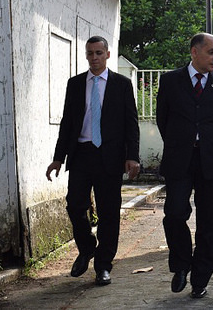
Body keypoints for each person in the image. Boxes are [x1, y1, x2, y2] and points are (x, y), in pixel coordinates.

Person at [46, 35, 140, 287]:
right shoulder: (75, 84)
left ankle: (103, 265)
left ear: (107, 55)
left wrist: (132, 156)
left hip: (110, 157)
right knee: (75, 205)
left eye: (99, 53)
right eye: (90, 53)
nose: (94, 58)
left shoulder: (121, 84)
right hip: (82, 153)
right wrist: (58, 158)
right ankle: (87, 248)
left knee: (109, 212)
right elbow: (67, 123)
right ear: (86, 55)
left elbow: (131, 122)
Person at [156, 33, 213, 299]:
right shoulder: (170, 81)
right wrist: (183, 142)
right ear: (194, 52)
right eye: (211, 52)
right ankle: (180, 265)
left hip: (211, 161)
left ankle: (200, 278)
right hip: (180, 159)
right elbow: (162, 120)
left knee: (210, 222)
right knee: (175, 213)